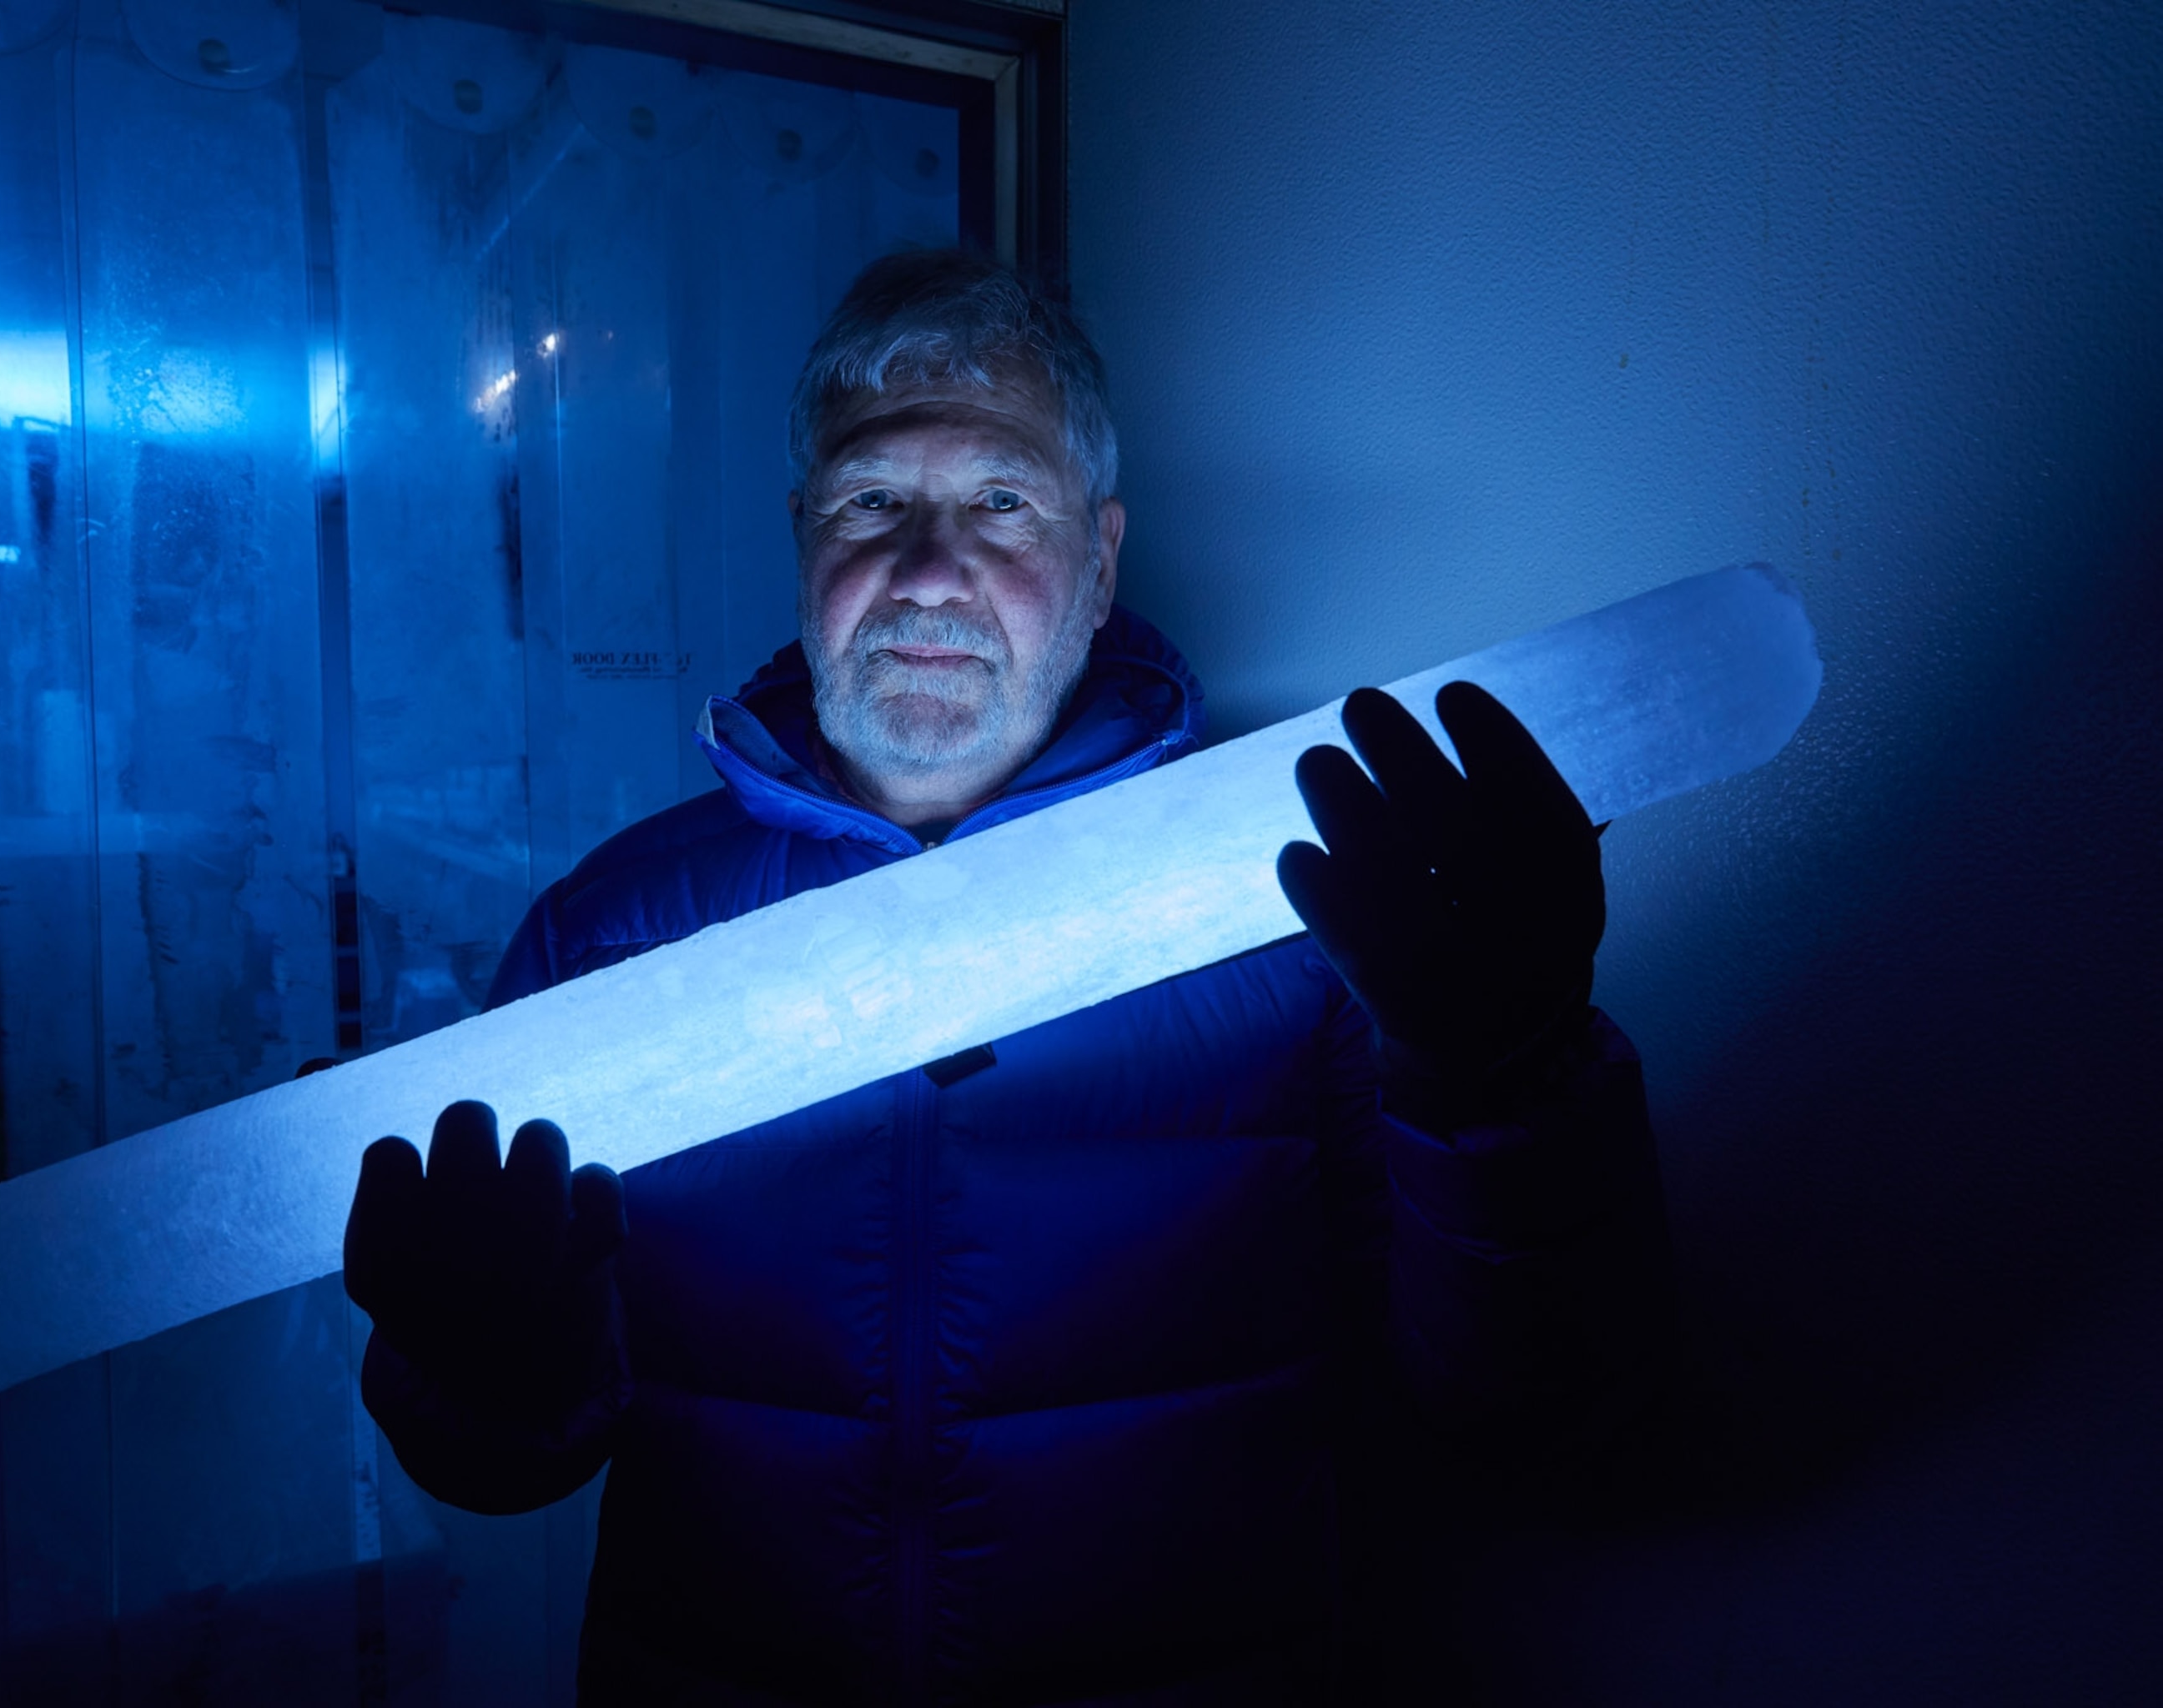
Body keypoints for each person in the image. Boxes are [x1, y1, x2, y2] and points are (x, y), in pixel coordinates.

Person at [342, 249, 1674, 1704]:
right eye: (871, 501)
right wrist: (478, 1378)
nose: (926, 572)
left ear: (1100, 563)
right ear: (803, 541)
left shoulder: (1308, 929)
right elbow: (500, 1470)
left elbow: (1534, 1417)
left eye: (1000, 502)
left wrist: (1506, 1096)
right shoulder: (609, 939)